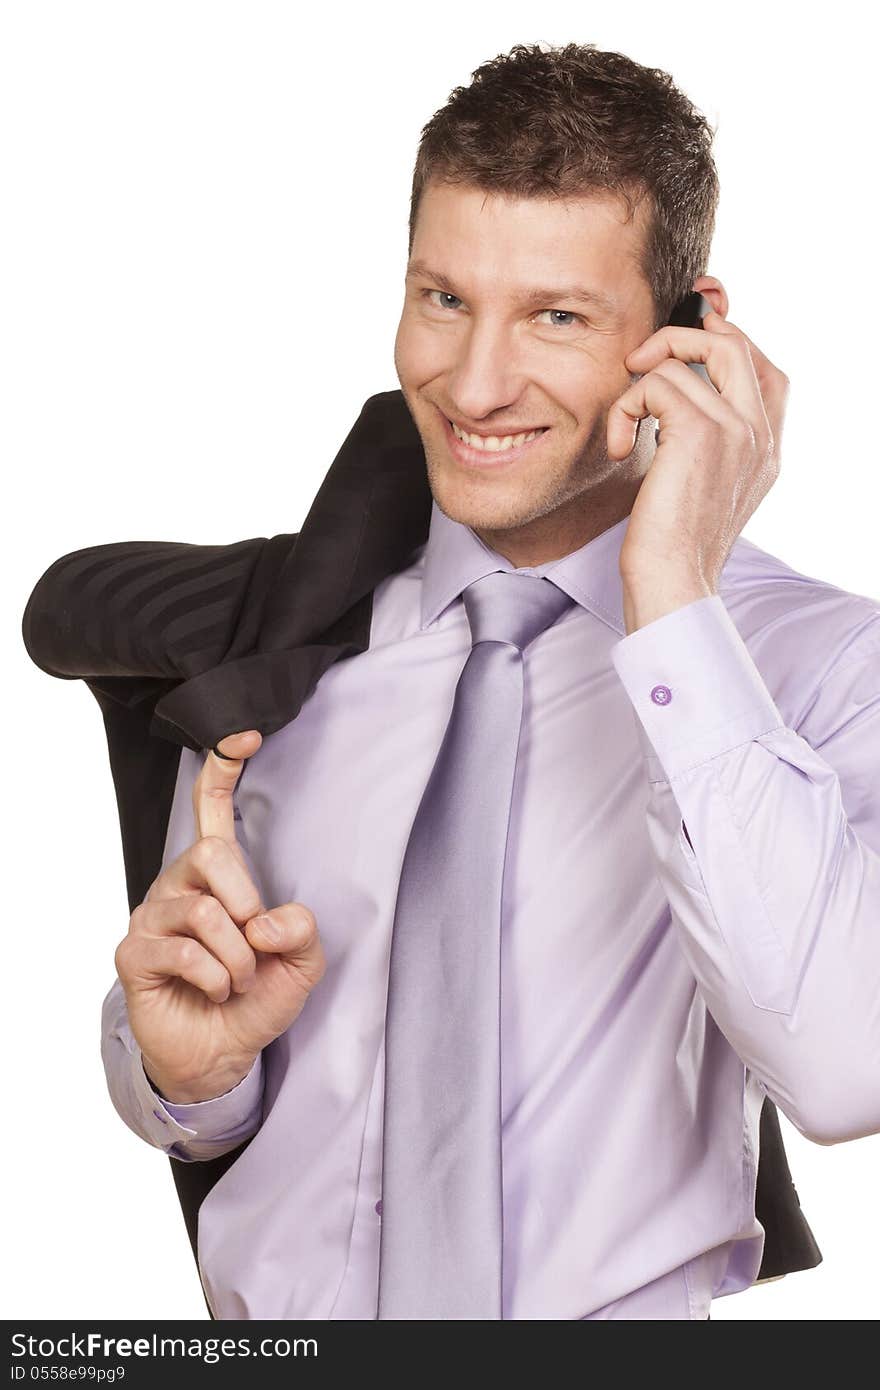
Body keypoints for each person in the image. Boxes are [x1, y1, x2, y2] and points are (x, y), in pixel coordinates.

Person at [28, 41, 880, 1320]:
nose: (472, 386)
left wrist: (673, 597)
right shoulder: (281, 640)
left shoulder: (819, 668)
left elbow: (844, 1067)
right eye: (441, 299)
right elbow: (199, 1107)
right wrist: (180, 1071)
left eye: (556, 315)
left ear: (689, 332)